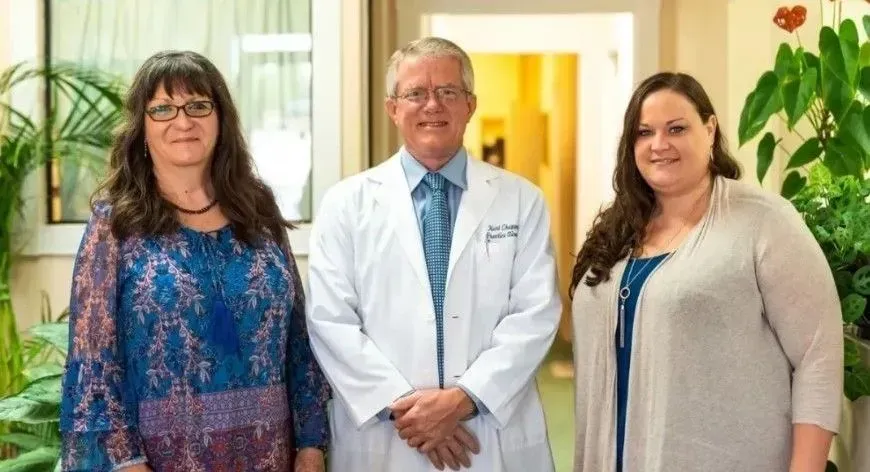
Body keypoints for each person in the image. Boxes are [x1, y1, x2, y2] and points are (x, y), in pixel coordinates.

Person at [59, 50, 330, 472]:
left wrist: (311, 447)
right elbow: (94, 365)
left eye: (198, 106)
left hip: (270, 455)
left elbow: (297, 339)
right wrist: (128, 464)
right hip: (158, 461)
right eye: (163, 109)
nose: (183, 122)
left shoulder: (258, 208)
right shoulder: (115, 222)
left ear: (221, 118)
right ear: (141, 126)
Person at [306, 37, 561, 472]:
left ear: (470, 105)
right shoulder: (345, 204)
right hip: (389, 433)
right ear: (392, 108)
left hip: (487, 430)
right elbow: (331, 322)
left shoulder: (522, 200)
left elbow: (534, 315)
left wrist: (463, 400)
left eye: (448, 92)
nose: (432, 105)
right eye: (416, 93)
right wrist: (412, 413)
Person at [570, 72, 843, 472]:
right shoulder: (617, 228)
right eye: (644, 132)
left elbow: (819, 354)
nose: (659, 144)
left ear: (710, 129)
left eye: (676, 128)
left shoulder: (763, 222)